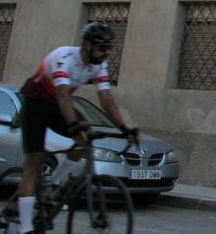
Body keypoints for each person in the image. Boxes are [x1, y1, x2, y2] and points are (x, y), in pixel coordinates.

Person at [15, 22, 139, 234]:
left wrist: (124, 127)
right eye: (102, 48)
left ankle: (54, 183)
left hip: (57, 104)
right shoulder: (63, 57)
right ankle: (25, 228)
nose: (105, 54)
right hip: (35, 102)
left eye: (108, 49)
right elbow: (63, 94)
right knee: (34, 160)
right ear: (88, 46)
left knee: (86, 136)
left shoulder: (98, 64)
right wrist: (73, 125)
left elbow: (106, 97)